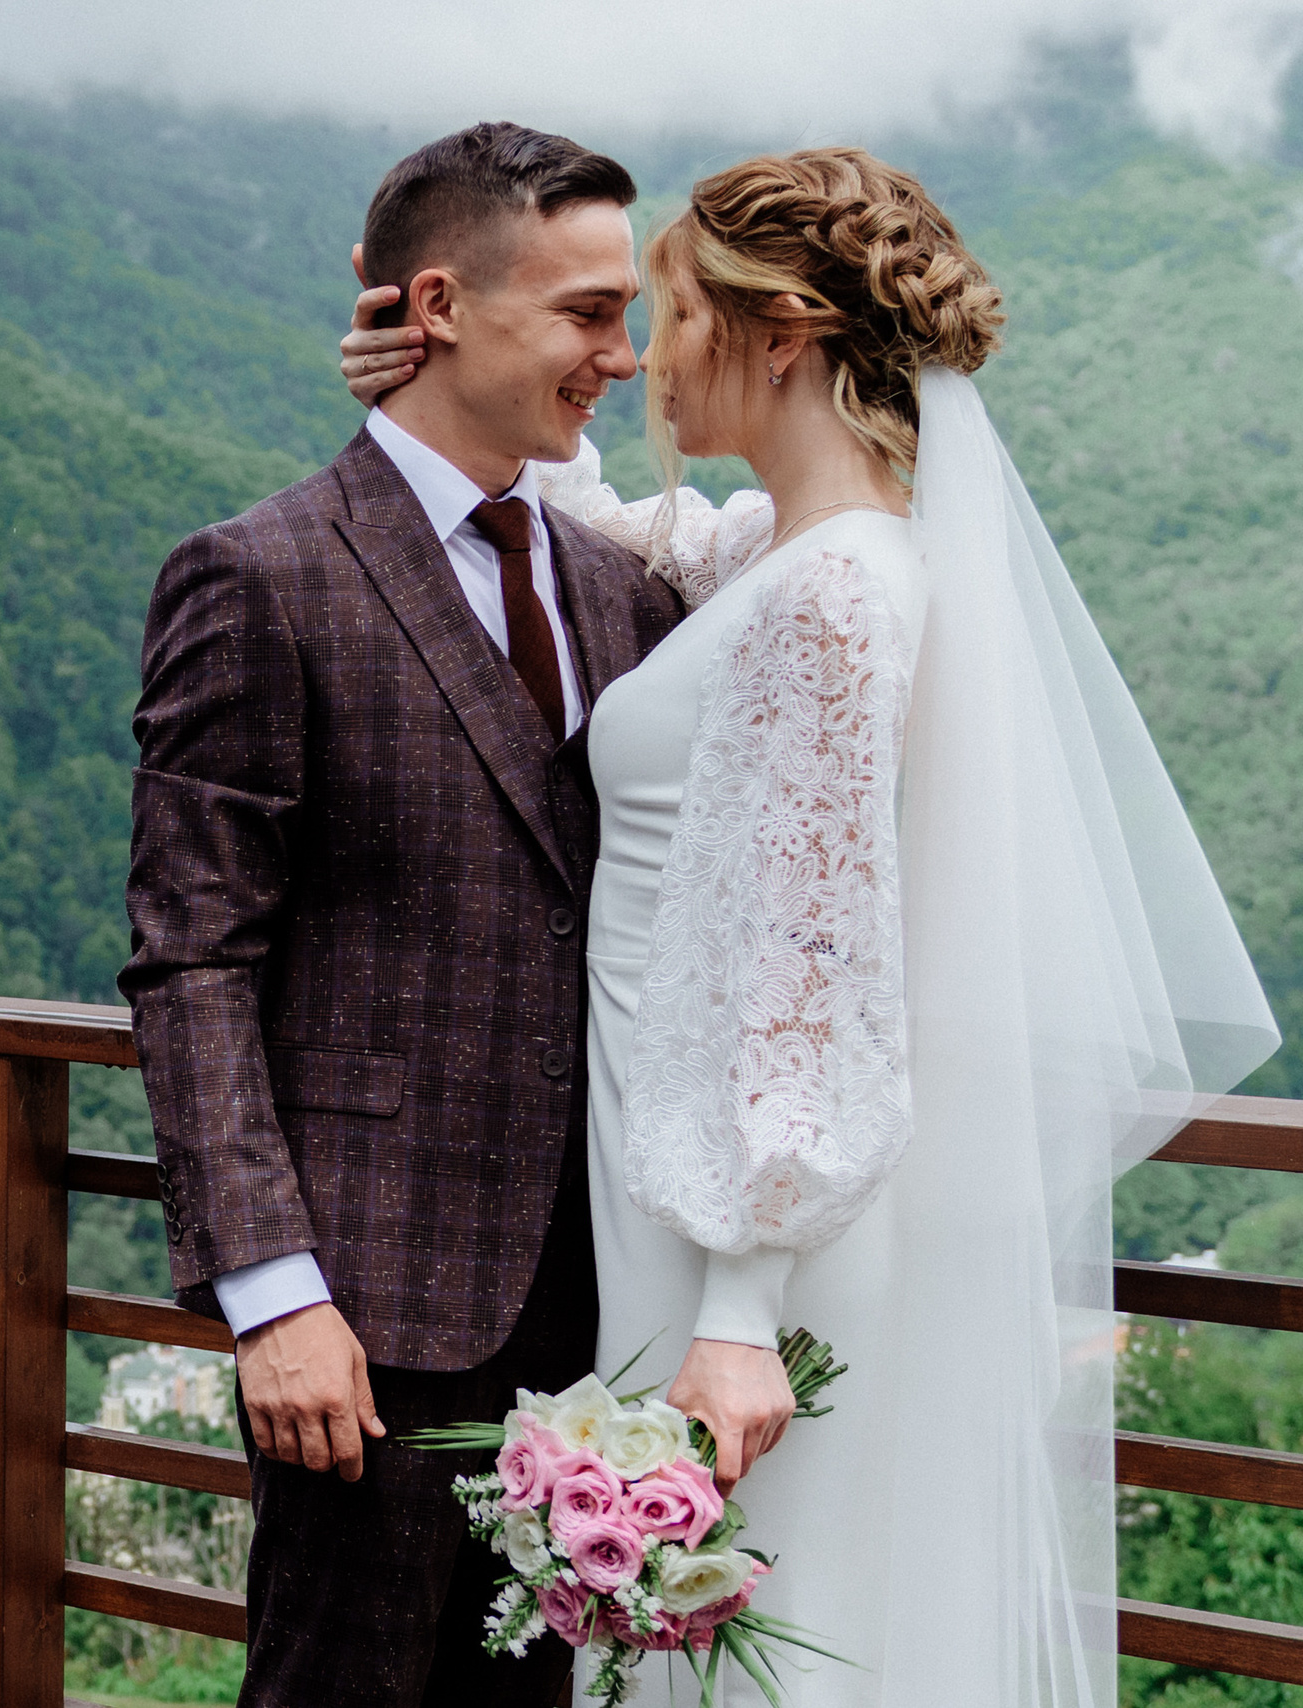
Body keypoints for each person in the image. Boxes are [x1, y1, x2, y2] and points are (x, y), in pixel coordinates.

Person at [339, 146, 1278, 1705]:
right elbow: (623, 536)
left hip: (732, 1243)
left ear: (782, 334)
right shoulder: (791, 560)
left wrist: (735, 1308)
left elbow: (804, 959)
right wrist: (427, 388)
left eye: (679, 309)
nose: (645, 354)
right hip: (688, 1200)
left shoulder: (833, 599)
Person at [119, 123, 684, 1707]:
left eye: (628, 315)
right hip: (360, 1319)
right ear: (438, 303)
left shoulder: (624, 589)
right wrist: (273, 1293)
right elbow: (193, 956)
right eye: (585, 314)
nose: (622, 358)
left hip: (597, 1313)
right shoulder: (260, 577)